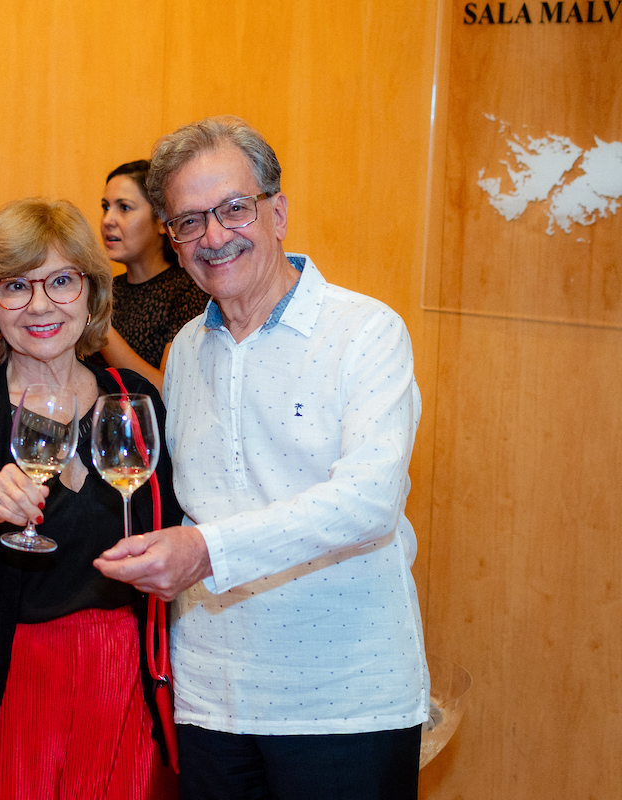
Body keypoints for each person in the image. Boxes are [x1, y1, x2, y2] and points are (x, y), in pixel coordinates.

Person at [95, 116, 428, 800]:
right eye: (189, 221)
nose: (214, 237)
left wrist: (203, 550)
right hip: (212, 698)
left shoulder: (365, 332)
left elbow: (367, 503)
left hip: (346, 701)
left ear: (277, 211)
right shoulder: (186, 350)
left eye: (234, 209)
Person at [0, 198, 179, 799]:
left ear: (90, 294)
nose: (39, 305)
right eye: (15, 287)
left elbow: (169, 533)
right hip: (1, 675)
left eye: (60, 281)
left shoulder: (133, 402)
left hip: (116, 674)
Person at [97, 160, 209, 388]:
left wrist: (99, 325)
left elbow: (166, 392)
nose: (108, 220)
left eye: (124, 208)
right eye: (105, 207)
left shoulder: (190, 290)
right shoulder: (106, 291)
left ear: (162, 221)